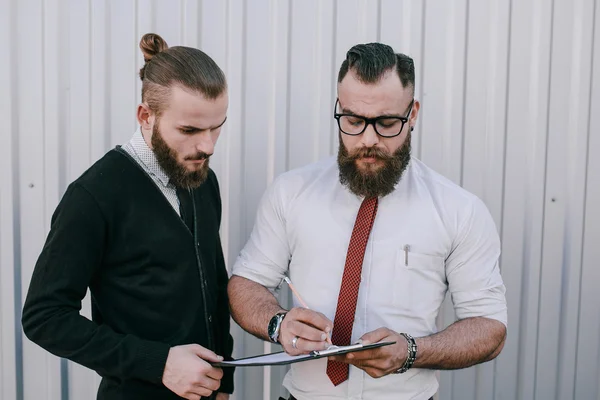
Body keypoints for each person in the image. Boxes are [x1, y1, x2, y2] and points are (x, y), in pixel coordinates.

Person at [227, 43, 507, 400]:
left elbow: (489, 327)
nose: (368, 139)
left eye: (387, 123)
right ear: (338, 109)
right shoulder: (290, 192)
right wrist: (279, 323)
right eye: (354, 121)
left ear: (413, 113)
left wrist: (411, 351)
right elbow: (246, 283)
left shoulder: (460, 210)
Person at [22, 33, 234, 400]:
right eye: (189, 130)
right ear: (146, 116)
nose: (207, 146)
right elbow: (45, 317)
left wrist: (224, 382)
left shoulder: (202, 178)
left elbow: (214, 285)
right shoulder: (94, 196)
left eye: (217, 127)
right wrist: (159, 362)